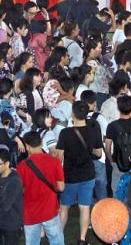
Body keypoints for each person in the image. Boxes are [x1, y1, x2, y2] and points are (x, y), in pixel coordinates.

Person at [55, 99, 102, 243]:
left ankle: (58, 237)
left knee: (64, 207)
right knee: (84, 207)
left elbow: (58, 157)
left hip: (69, 176)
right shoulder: (93, 131)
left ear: (73, 114)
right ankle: (82, 239)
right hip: (87, 175)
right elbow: (99, 153)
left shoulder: (65, 133)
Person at [17, 131, 65, 245]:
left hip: (30, 213)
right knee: (57, 241)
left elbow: (20, 190)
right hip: (50, 210)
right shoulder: (54, 162)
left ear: (27, 146)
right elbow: (61, 187)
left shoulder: (22, 166)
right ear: (41, 143)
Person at [0, 146, 24, 245]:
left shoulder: (14, 181)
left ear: (7, 163)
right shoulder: (1, 176)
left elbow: (5, 205)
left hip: (11, 225)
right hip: (1, 222)